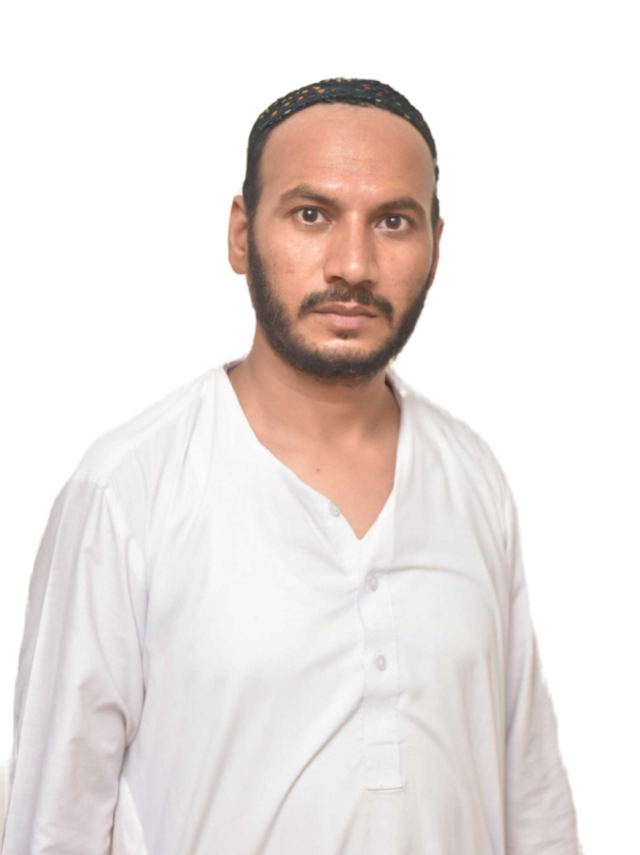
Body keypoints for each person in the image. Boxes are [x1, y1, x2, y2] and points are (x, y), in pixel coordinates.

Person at [3, 76, 584, 854]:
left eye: (393, 221)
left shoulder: (474, 474)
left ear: (438, 246)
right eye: (312, 214)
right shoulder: (128, 487)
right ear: (240, 234)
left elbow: (534, 797)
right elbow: (53, 824)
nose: (354, 264)